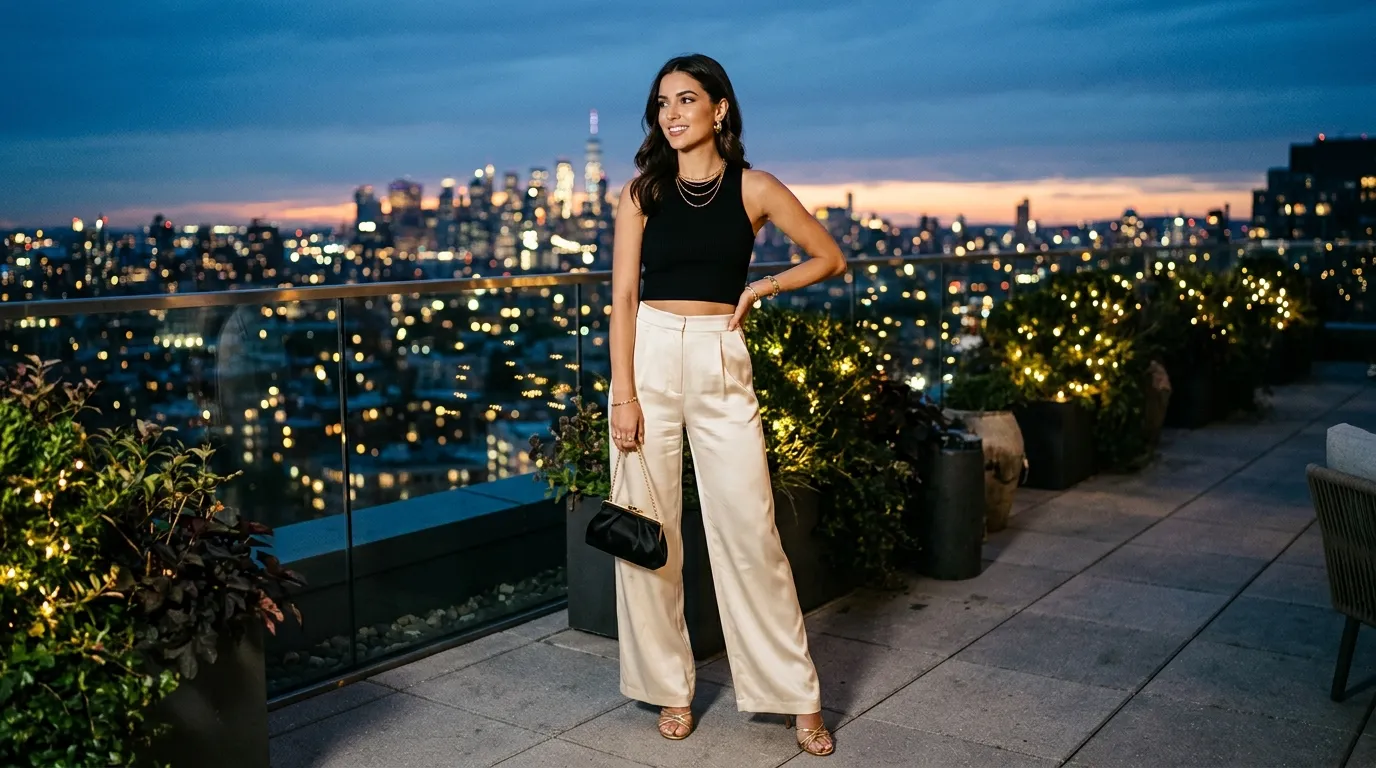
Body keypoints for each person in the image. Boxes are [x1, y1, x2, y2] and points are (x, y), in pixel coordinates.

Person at [607, 53, 846, 757]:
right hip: (647, 357)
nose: (671, 115)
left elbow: (828, 257)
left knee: (751, 534)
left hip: (719, 354)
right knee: (647, 533)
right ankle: (669, 688)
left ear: (720, 109)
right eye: (661, 104)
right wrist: (623, 391)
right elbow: (622, 298)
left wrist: (759, 289)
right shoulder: (642, 191)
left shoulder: (757, 187)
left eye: (686, 100)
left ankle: (795, 696)